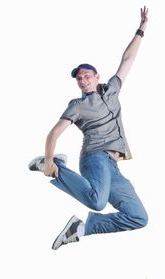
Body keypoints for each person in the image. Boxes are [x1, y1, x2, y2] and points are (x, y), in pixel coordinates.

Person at [29, 6, 149, 250]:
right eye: (79, 79)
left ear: (96, 76)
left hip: (113, 166)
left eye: (86, 76)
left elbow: (127, 59)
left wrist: (142, 29)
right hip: (94, 158)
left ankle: (81, 229)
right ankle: (53, 167)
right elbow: (54, 132)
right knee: (97, 202)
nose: (83, 81)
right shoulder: (77, 105)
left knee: (139, 217)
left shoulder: (113, 89)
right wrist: (51, 158)